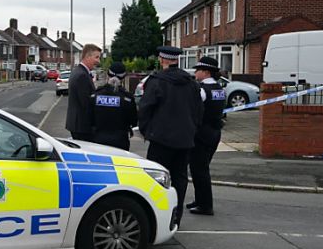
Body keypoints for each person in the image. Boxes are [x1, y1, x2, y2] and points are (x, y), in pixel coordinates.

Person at [138, 45, 203, 225]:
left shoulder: (156, 81)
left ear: (162, 59)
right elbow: (199, 112)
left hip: (161, 140)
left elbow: (145, 108)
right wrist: (192, 131)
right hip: (185, 141)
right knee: (180, 179)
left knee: (156, 179)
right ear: (176, 59)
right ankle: (176, 217)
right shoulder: (191, 83)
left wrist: (145, 130)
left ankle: (157, 219)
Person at [187, 57, 225, 216]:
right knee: (201, 167)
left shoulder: (201, 90)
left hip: (201, 133)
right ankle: (200, 199)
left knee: (199, 169)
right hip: (214, 132)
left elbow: (193, 110)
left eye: (198, 70)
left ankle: (205, 205)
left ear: (206, 72)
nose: (195, 72)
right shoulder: (219, 89)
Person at [90, 62, 137, 150]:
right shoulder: (128, 98)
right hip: (120, 142)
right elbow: (133, 121)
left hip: (98, 142)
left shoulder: (96, 95)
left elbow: (88, 118)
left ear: (108, 75)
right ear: (123, 78)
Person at [65, 44, 101, 141]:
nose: (98, 61)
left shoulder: (78, 71)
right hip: (82, 126)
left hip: (77, 124)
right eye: (96, 57)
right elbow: (86, 103)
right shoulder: (82, 75)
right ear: (87, 56)